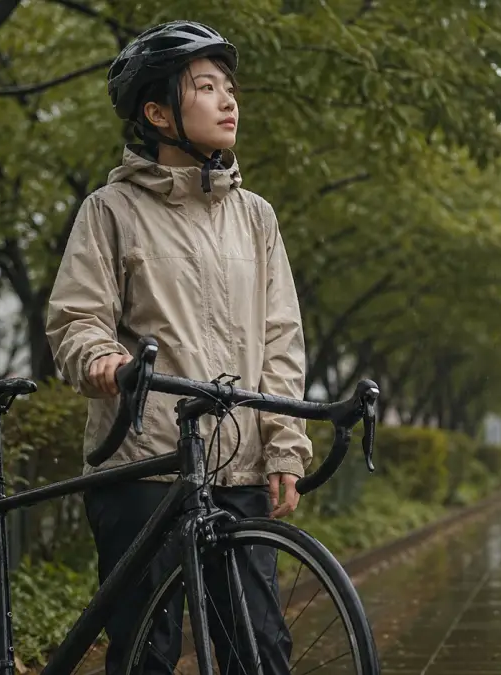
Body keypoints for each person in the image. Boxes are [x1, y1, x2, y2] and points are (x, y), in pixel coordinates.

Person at [45, 20, 310, 675]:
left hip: (238, 466)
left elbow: (281, 340)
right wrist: (102, 361)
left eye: (230, 88)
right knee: (147, 655)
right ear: (157, 112)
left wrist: (284, 443)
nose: (229, 102)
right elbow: (77, 318)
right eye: (207, 87)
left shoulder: (257, 218)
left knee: (261, 650)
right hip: (144, 466)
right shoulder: (110, 211)